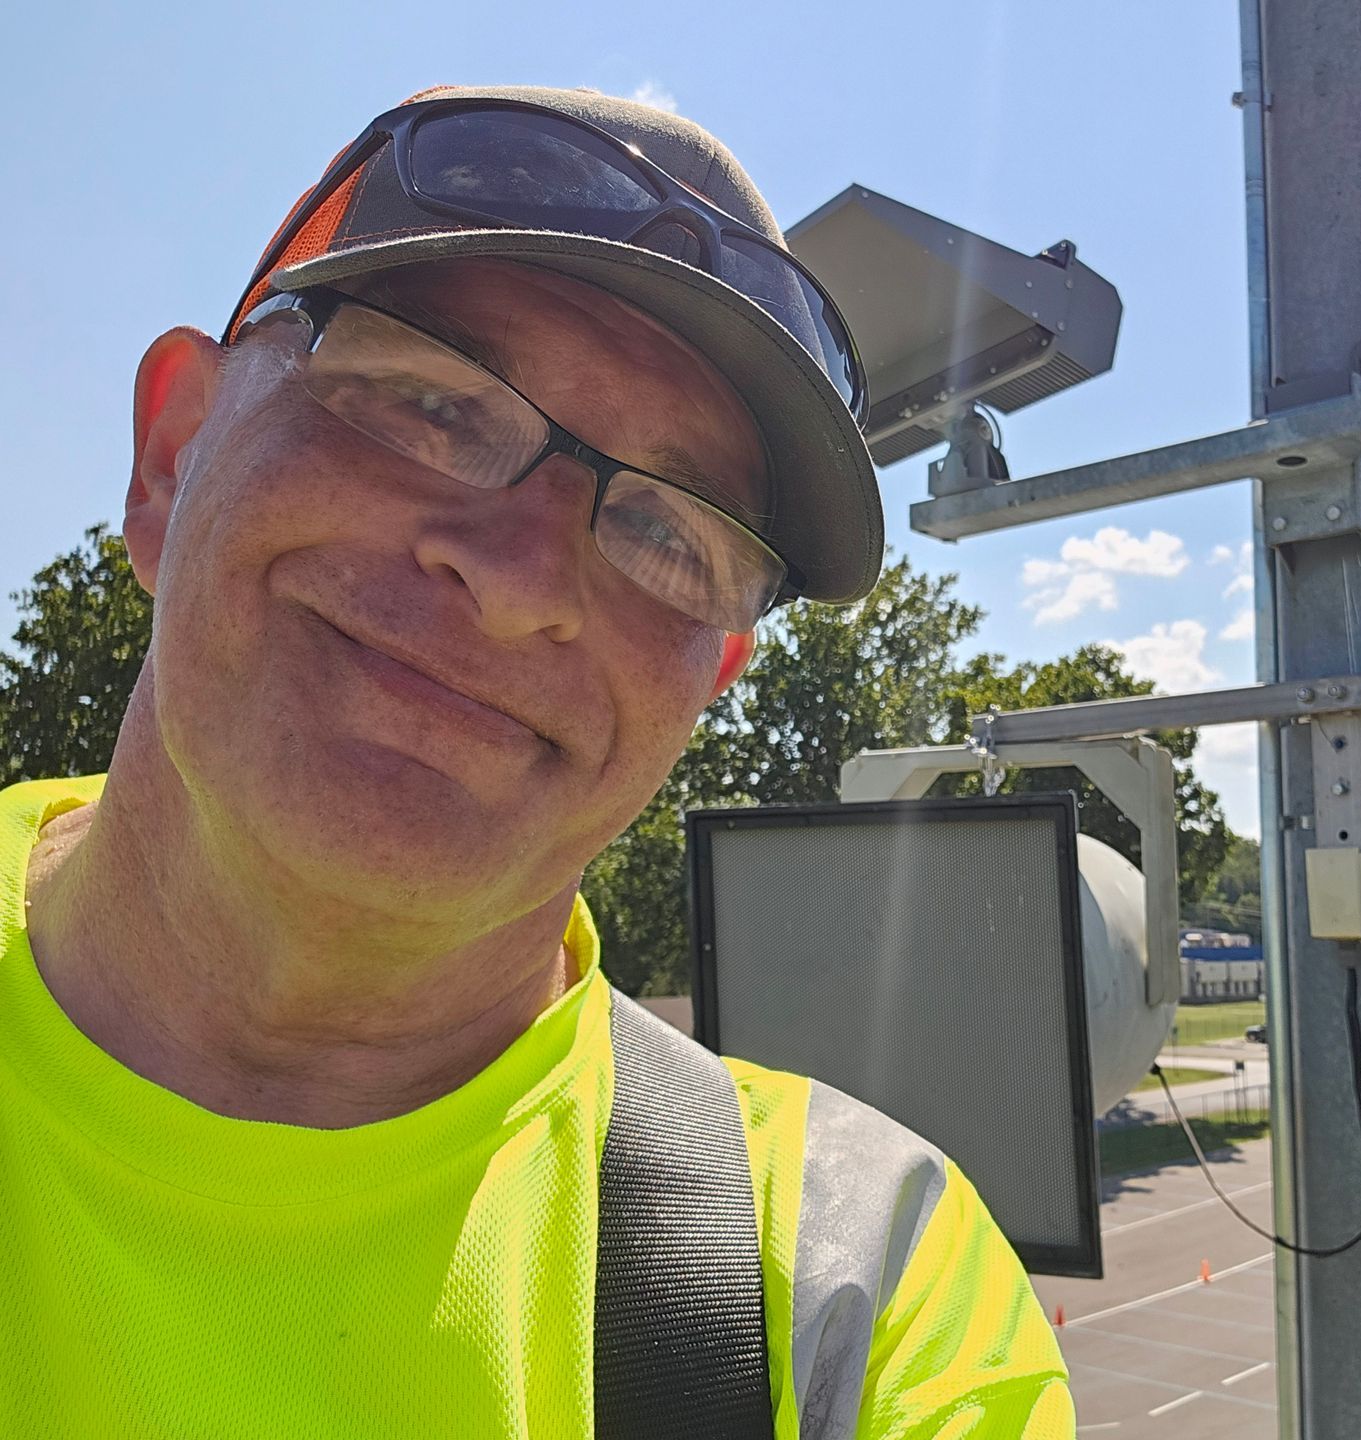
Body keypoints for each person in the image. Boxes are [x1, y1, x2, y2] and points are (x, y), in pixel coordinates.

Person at [0, 84, 1072, 1437]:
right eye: (428, 401)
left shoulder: (853, 1304)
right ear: (171, 458)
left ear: (709, 684)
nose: (521, 585)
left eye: (672, 535)